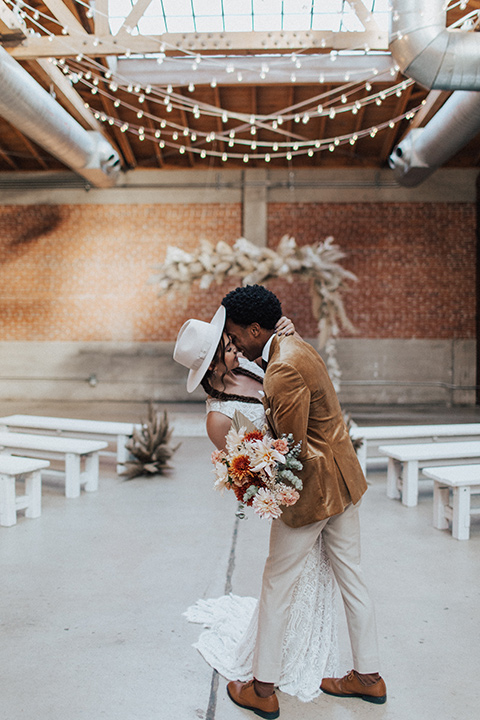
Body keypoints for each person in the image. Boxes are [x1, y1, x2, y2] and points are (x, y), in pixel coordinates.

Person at [221, 284, 386, 718]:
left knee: (277, 584)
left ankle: (262, 688)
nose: (234, 344)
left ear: (256, 329)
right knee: (354, 578)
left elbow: (287, 446)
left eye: (237, 335)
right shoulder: (298, 347)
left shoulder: (282, 370)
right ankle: (368, 677)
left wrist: (252, 461)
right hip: (345, 482)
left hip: (313, 493)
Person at [173, 305, 340, 708]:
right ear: (212, 364)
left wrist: (288, 337)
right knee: (281, 580)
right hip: (289, 489)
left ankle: (289, 657)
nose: (238, 348)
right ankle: (267, 676)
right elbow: (254, 469)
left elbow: (292, 377)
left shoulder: (253, 366)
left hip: (314, 476)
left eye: (234, 341)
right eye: (228, 346)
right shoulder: (218, 419)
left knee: (306, 576)